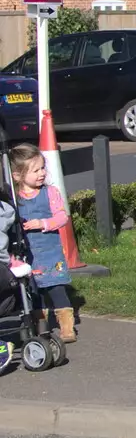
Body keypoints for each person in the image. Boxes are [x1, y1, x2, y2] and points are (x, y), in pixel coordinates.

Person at [10, 143, 73, 343]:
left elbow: (62, 217)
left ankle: (66, 327)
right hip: (28, 254)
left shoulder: (50, 192)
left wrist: (43, 223)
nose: (41, 173)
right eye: (35, 170)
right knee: (33, 291)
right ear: (18, 176)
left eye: (42, 168)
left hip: (50, 251)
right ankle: (41, 325)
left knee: (56, 287)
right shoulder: (15, 199)